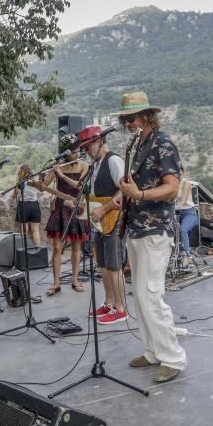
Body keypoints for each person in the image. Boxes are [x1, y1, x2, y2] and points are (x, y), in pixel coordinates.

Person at [114, 91, 188, 383]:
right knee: (141, 296)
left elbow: (171, 187)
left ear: (146, 116)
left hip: (155, 229)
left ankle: (173, 357)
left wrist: (140, 194)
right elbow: (138, 184)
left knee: (151, 295)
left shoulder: (163, 143)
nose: (127, 123)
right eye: (124, 119)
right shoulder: (138, 142)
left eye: (131, 118)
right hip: (136, 227)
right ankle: (152, 351)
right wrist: (126, 193)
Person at [79, 126, 128, 324]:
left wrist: (103, 209)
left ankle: (121, 308)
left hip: (114, 220)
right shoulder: (95, 166)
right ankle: (109, 303)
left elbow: (125, 191)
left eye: (87, 147)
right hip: (100, 223)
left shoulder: (114, 161)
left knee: (115, 266)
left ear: (99, 142)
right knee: (104, 266)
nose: (85, 152)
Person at [42, 143, 90, 296]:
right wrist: (51, 170)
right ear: (65, 155)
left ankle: (75, 280)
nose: (77, 155)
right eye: (73, 152)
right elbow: (44, 185)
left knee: (76, 247)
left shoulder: (84, 166)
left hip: (77, 207)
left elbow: (80, 186)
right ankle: (56, 282)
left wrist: (61, 176)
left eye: (78, 152)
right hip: (60, 208)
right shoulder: (58, 167)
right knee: (57, 247)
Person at [12, 163, 42, 248]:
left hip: (23, 206)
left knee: (24, 231)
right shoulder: (34, 182)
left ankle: (25, 250)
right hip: (34, 206)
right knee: (35, 231)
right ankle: (38, 250)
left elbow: (13, 196)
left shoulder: (19, 183)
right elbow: (41, 192)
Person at [175, 173, 199, 266]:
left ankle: (186, 256)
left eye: (179, 172)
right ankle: (174, 254)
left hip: (189, 213)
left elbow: (183, 201)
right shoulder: (172, 184)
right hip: (177, 213)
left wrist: (174, 207)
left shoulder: (186, 183)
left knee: (182, 230)